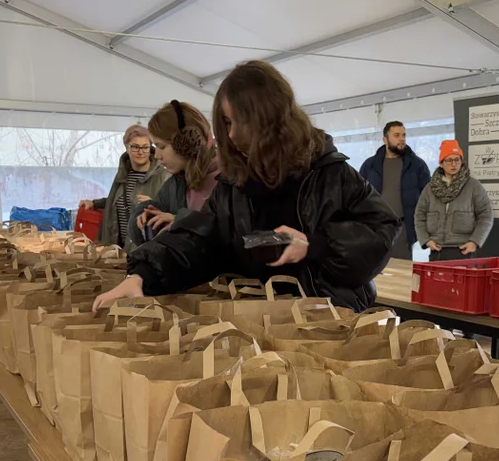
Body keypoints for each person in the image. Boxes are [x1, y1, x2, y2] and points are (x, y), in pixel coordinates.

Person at [94, 60, 401, 313]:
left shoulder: (330, 173)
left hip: (329, 326)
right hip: (259, 328)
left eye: (242, 121)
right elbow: (199, 237)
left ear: (273, 118)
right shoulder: (233, 185)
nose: (234, 134)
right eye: (226, 123)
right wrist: (142, 276)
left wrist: (316, 244)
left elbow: (381, 231)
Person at [130, 100, 221, 245]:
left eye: (162, 146)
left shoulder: (230, 180)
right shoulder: (176, 183)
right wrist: (143, 216)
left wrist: (181, 221)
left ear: (185, 143)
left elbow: (232, 238)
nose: (157, 156)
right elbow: (151, 215)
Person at [78, 124, 169, 251]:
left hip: (144, 250)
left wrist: (155, 204)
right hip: (117, 248)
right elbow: (114, 199)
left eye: (145, 147)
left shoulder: (163, 176)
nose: (141, 151)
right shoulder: (122, 175)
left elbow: (175, 209)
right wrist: (94, 203)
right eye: (135, 147)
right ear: (126, 147)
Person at [358, 121, 431, 260]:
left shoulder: (417, 165)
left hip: (403, 229)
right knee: (375, 273)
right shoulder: (370, 165)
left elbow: (428, 199)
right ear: (385, 140)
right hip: (375, 229)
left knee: (402, 274)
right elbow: (359, 197)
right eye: (396, 135)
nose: (402, 139)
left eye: (403, 135)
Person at [414, 140, 494, 261]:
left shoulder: (473, 186)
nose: (454, 164)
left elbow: (486, 215)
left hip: (463, 249)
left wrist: (475, 242)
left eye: (457, 160)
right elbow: (419, 216)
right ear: (441, 163)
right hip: (437, 250)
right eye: (449, 160)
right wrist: (426, 240)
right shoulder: (429, 188)